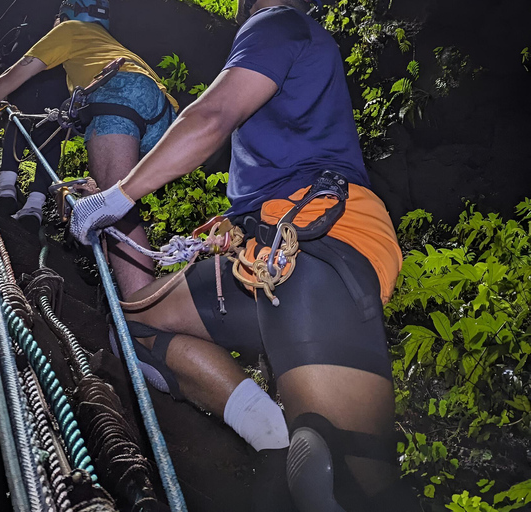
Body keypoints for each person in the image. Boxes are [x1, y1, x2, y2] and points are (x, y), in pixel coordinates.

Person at [69, 0, 419, 510]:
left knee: (357, 487)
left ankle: (301, 444)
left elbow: (211, 116)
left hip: (319, 244)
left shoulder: (278, 24)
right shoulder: (298, 49)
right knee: (137, 328)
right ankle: (273, 433)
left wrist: (117, 196)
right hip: (274, 257)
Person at [0, 0, 178, 299]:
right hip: (162, 113)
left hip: (118, 94)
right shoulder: (107, 44)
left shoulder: (69, 30)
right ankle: (113, 280)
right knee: (114, 198)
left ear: (66, 15)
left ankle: (143, 305)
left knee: (115, 207)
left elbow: (11, 78)